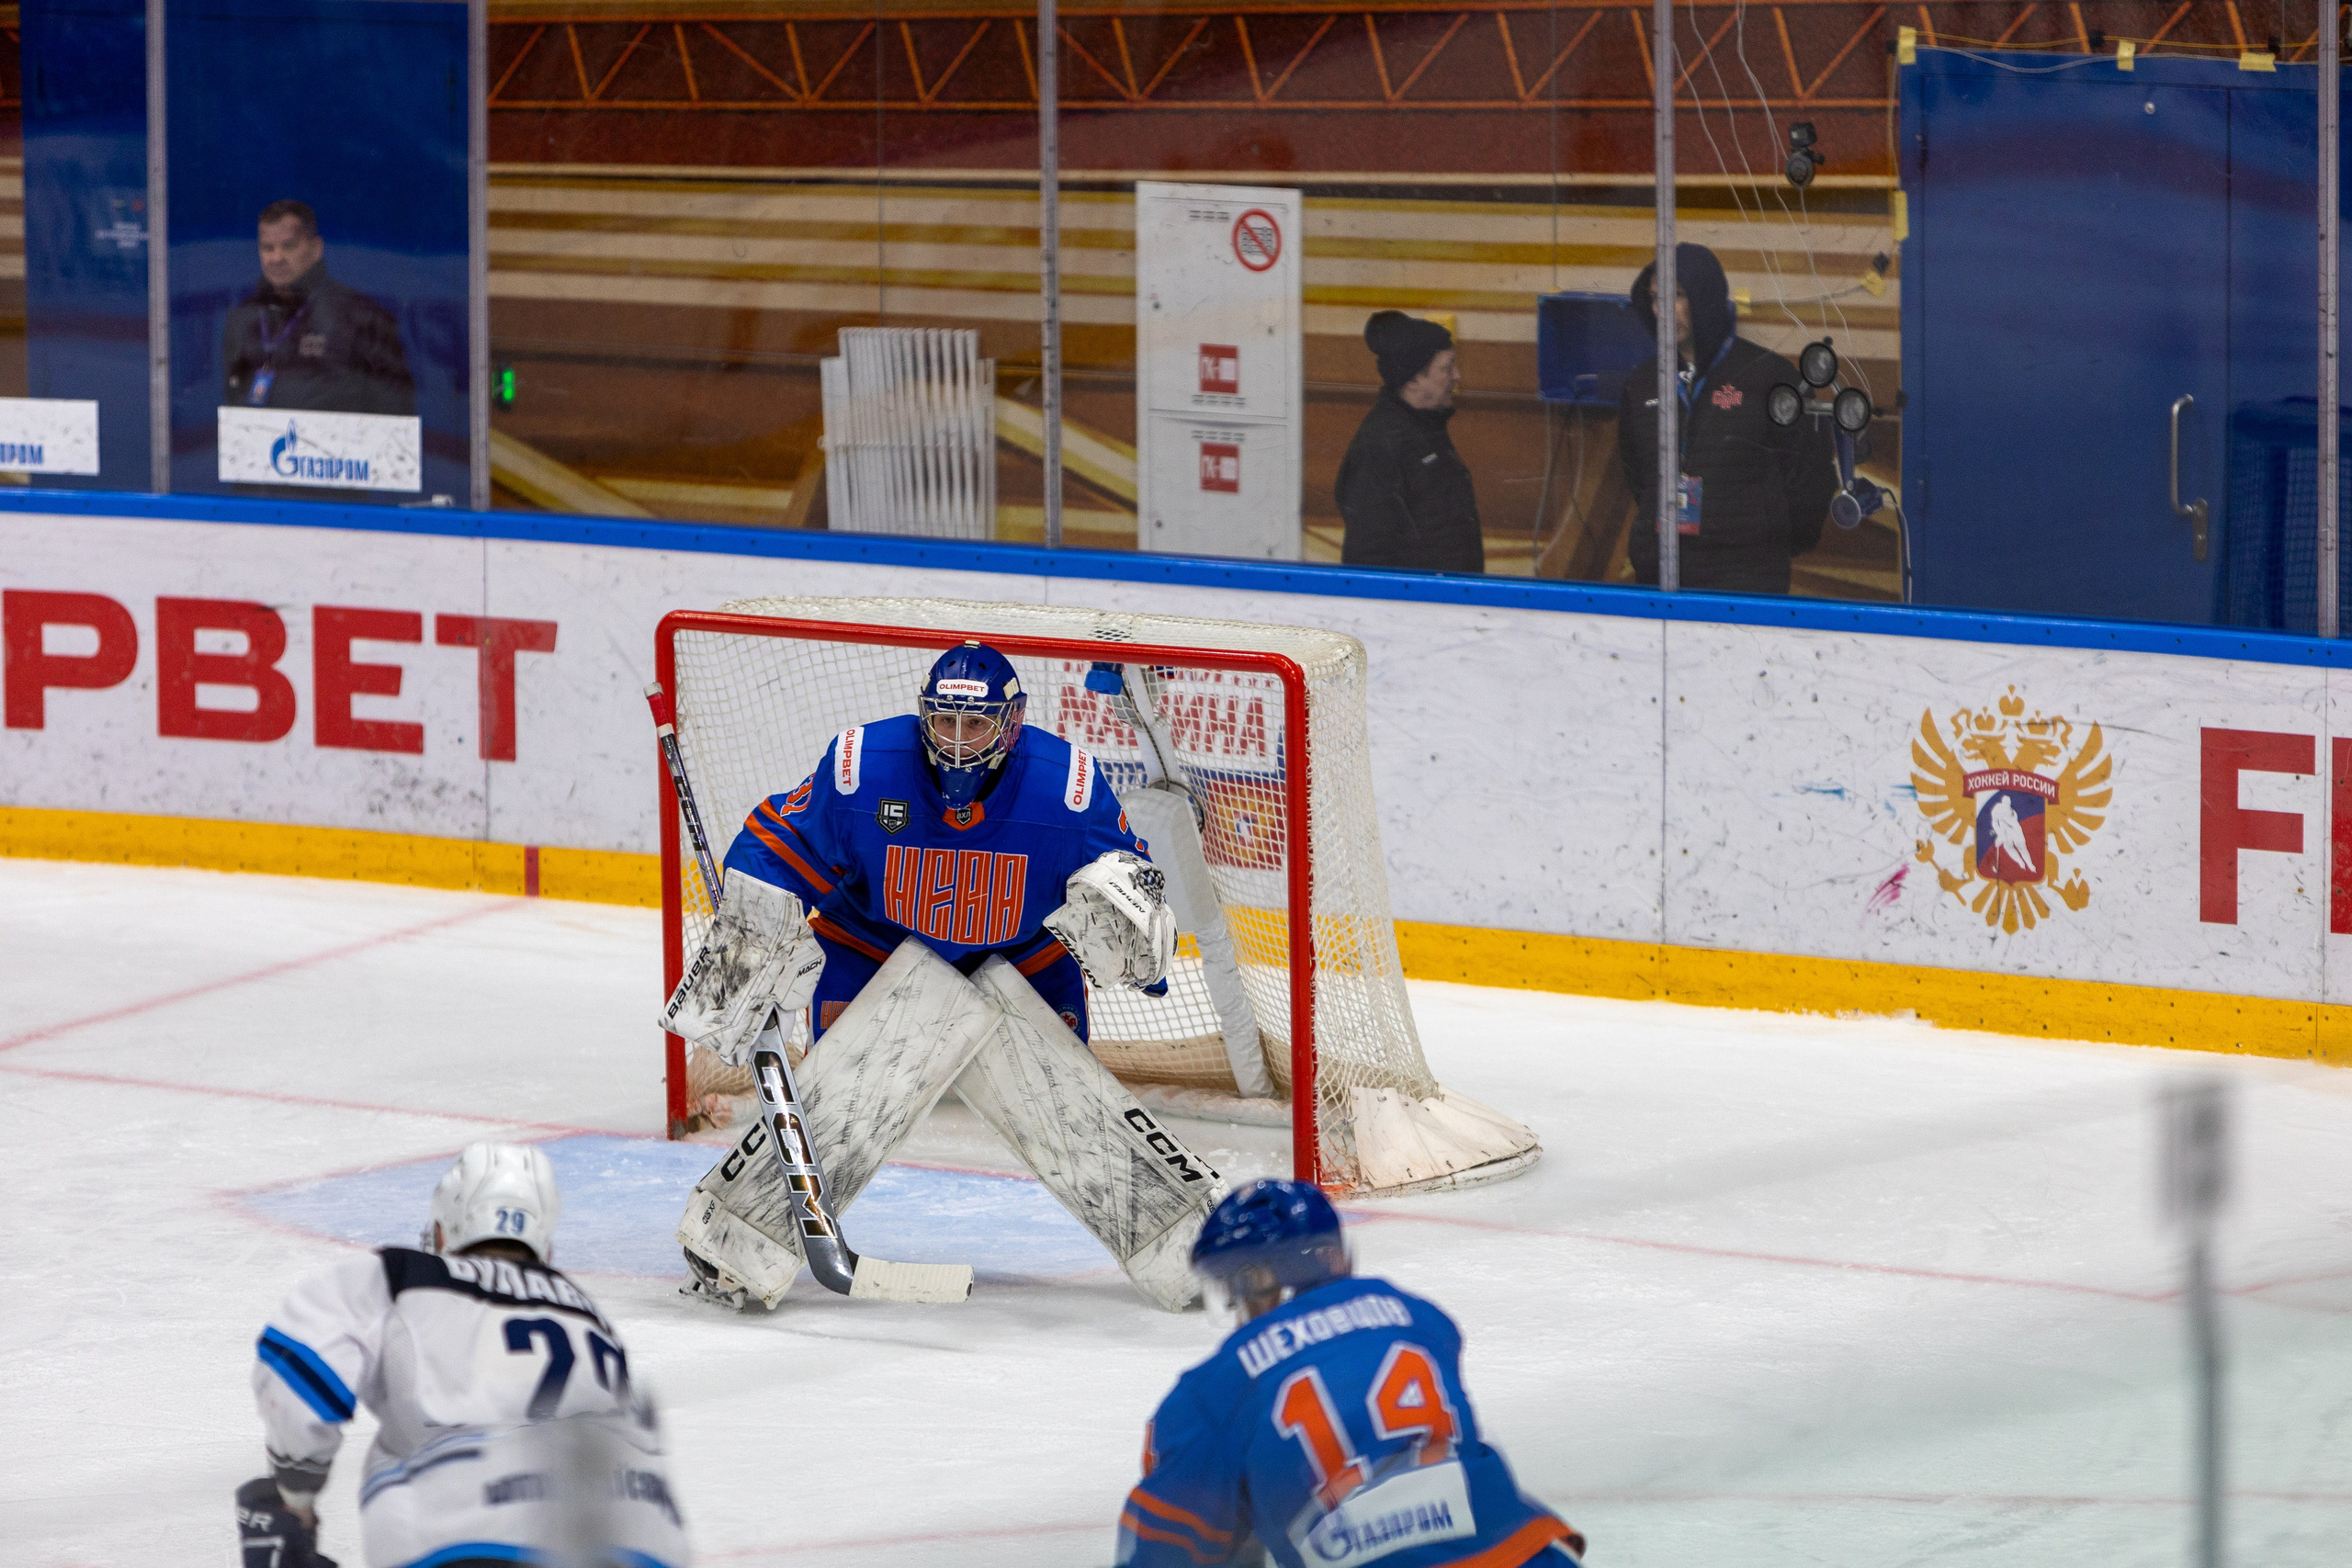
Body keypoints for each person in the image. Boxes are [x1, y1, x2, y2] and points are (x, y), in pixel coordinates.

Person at [661, 640, 1226, 1314]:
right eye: (945, 722)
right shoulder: (861, 769)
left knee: (1068, 1101)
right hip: (875, 943)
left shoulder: (1066, 788)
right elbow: (775, 839)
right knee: (846, 1091)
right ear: (924, 715)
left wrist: (1139, 941)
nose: (957, 743)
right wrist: (751, 930)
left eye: (976, 725)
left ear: (1010, 726)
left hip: (1022, 955)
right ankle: (736, 1239)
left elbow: (1131, 875)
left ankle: (1192, 1245)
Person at [238, 1143, 689, 1568]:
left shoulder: (407, 1276)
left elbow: (300, 1371)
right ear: (544, 1245)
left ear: (440, 1229)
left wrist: (296, 1499)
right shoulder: (590, 1315)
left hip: (470, 1532)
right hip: (641, 1537)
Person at [1115, 1180, 1585, 1568]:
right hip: (1525, 1555)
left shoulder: (1212, 1393)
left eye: (1233, 1284)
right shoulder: (1420, 1319)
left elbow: (1166, 1546)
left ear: (1257, 1279)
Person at [1616, 243, 1837, 594]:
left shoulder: (1768, 376)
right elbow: (1636, 472)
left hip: (1745, 576)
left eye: (1677, 296)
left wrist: (1771, 539)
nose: (1663, 311)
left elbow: (1811, 473)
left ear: (1705, 299)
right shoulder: (1641, 383)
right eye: (1657, 298)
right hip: (1661, 573)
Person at [223, 199, 415, 417]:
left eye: (289, 246)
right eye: (268, 248)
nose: (276, 258)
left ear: (316, 249)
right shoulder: (241, 318)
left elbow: (395, 408)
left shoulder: (361, 317)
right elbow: (234, 400)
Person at [1335, 310, 1486, 573]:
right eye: (1447, 368)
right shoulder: (1380, 446)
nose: (1457, 376)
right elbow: (1368, 556)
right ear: (1413, 379)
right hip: (1417, 607)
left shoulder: (1427, 428)